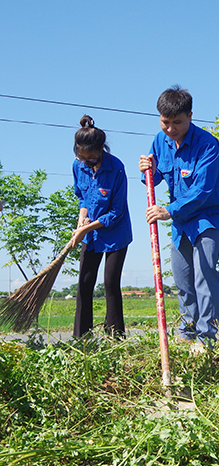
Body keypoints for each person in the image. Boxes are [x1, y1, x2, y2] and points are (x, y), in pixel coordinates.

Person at [138, 86, 219, 353]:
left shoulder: (208, 145)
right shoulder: (160, 140)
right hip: (181, 220)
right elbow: (156, 178)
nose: (170, 128)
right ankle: (187, 330)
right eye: (165, 122)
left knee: (204, 274)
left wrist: (168, 211)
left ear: (190, 116)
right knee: (182, 278)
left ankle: (206, 336)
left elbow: (201, 190)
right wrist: (148, 170)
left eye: (177, 122)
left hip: (208, 216)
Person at [70, 115, 133, 339]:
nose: (88, 161)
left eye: (92, 157)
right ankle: (81, 339)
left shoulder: (116, 168)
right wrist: (81, 219)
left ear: (101, 149)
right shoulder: (79, 167)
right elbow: (83, 198)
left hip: (116, 234)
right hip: (91, 235)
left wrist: (86, 229)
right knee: (84, 284)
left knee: (110, 284)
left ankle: (115, 337)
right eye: (82, 158)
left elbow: (116, 213)